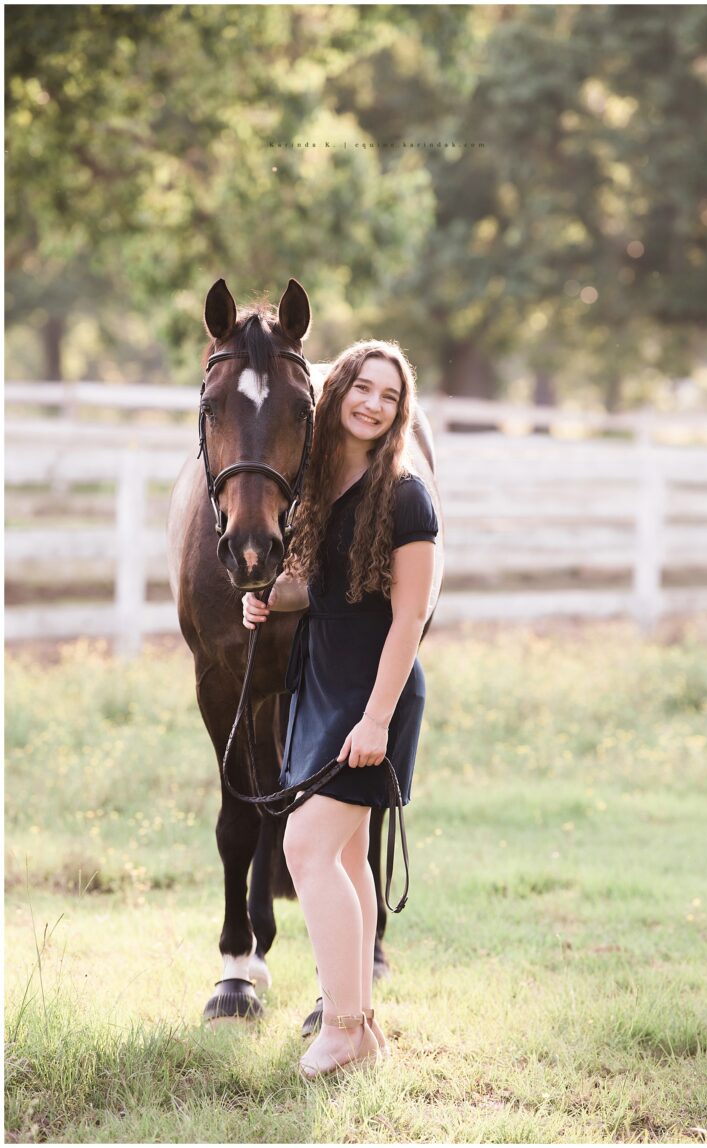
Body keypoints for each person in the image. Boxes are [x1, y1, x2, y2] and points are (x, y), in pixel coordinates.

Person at [242, 339, 438, 1080]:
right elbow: (324, 589)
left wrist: (377, 719)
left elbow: (408, 616)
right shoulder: (319, 488)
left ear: (399, 411)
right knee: (347, 856)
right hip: (324, 676)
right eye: (363, 387)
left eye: (389, 396)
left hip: (374, 689)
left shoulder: (406, 496)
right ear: (339, 392)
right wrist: (271, 599)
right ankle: (361, 1030)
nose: (373, 404)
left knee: (306, 850)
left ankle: (343, 1024)